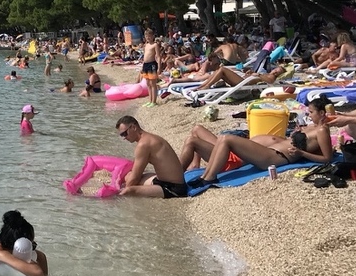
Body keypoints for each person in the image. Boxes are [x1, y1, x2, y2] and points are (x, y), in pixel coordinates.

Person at [187, 96, 335, 188]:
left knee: (227, 139)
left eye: (311, 112)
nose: (308, 115)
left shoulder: (322, 130)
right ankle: (204, 176)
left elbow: (326, 159)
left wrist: (301, 152)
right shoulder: (311, 127)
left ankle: (210, 178)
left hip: (277, 157)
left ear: (321, 113)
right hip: (272, 151)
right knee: (223, 138)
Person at [116, 116, 188, 198]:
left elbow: (134, 178)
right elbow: (135, 175)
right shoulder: (149, 138)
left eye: (124, 133)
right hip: (163, 180)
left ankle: (109, 200)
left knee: (129, 191)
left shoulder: (143, 144)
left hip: (174, 188)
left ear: (133, 127)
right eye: (122, 135)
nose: (124, 138)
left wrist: (121, 189)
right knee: (129, 176)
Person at [191, 62, 290, 92]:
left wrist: (258, 74)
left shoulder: (271, 77)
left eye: (278, 72)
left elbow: (270, 81)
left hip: (243, 83)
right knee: (219, 71)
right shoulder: (267, 73)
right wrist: (251, 72)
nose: (276, 72)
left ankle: (206, 86)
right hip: (242, 79)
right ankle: (203, 86)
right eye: (276, 70)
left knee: (222, 69)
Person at [140, 29, 162, 107]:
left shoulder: (155, 45)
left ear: (153, 36)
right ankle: (150, 100)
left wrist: (159, 67)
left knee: (153, 84)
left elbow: (158, 56)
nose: (148, 37)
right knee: (148, 83)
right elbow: (144, 56)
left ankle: (154, 101)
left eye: (149, 36)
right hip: (145, 64)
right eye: (146, 36)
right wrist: (142, 66)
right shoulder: (146, 45)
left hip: (152, 64)